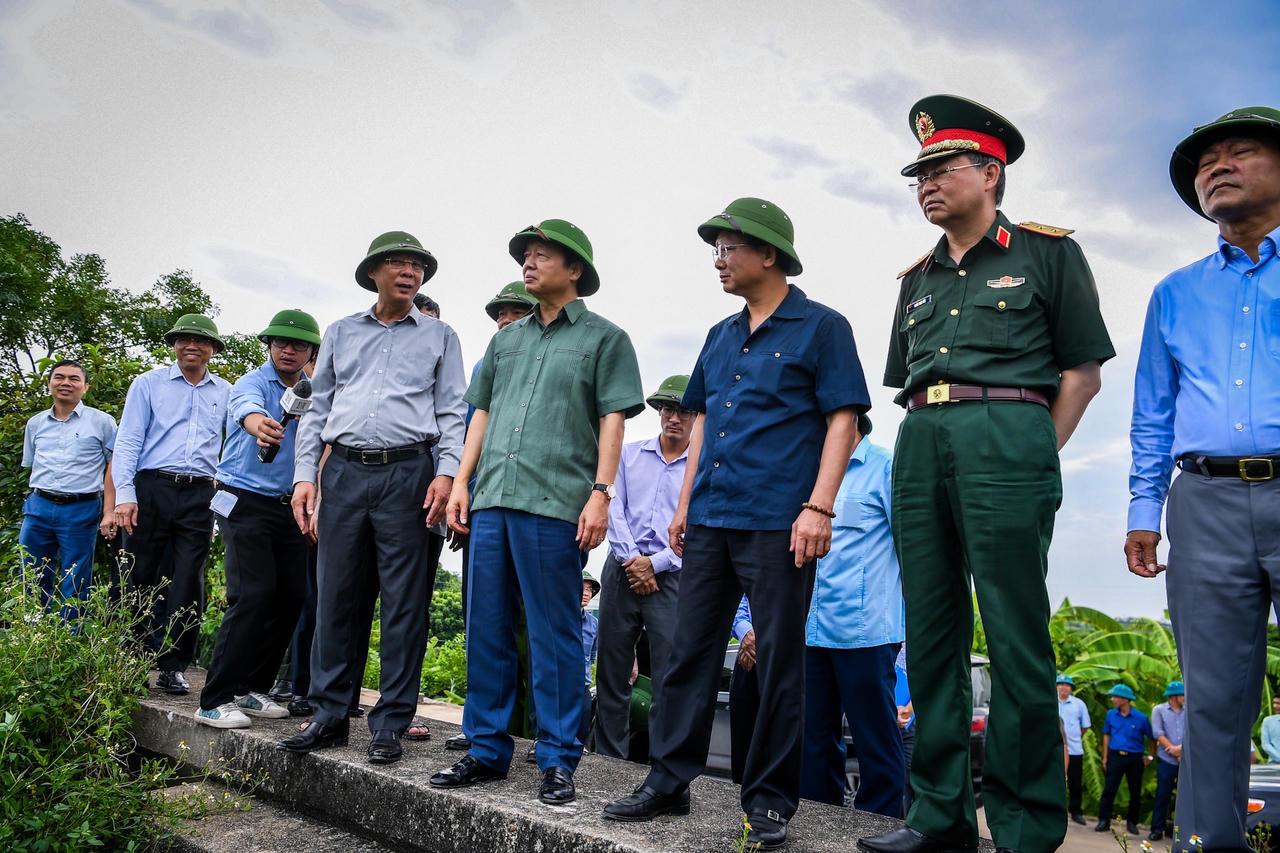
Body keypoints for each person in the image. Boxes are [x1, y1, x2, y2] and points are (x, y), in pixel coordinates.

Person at [859, 95, 1113, 853]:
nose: (926, 183)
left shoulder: (1047, 253)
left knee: (1014, 633)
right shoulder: (918, 278)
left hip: (1009, 432)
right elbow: (904, 376)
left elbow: (1083, 372)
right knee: (930, 632)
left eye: (942, 168)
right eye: (919, 174)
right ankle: (937, 815)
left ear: (990, 173)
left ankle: (1028, 824)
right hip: (922, 434)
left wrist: (1034, 449)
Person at [604, 196, 869, 850]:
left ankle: (771, 801)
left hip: (781, 522)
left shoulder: (822, 327)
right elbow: (697, 425)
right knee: (688, 653)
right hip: (712, 519)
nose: (718, 260)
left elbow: (845, 420)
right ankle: (667, 781)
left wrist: (819, 506)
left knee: (777, 661)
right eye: (714, 250)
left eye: (729, 248)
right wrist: (686, 502)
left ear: (769, 254)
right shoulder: (720, 336)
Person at [430, 219, 644, 806]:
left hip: (555, 505)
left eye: (541, 255)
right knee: (486, 628)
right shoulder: (506, 340)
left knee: (554, 635)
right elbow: (481, 414)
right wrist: (462, 484)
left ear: (573, 270)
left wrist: (601, 493)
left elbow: (613, 420)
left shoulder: (605, 338)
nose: (528, 263)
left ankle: (556, 759)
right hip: (493, 497)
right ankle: (486, 749)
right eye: (525, 254)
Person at [1125, 105, 1280, 853]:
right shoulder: (1175, 293)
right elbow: (1152, 412)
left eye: (1240, 151)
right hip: (1204, 501)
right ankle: (1208, 845)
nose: (1217, 166)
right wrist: (1140, 510)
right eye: (1204, 161)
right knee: (1214, 696)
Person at [278, 231, 466, 766]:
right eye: (399, 265)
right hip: (343, 472)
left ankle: (390, 722)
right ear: (374, 273)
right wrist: (304, 477)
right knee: (337, 596)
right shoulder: (340, 332)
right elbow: (317, 407)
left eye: (418, 267)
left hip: (410, 472)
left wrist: (447, 474)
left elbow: (452, 409)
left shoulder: (441, 337)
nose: (410, 274)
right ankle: (330, 714)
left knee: (405, 603)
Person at [194, 310, 322, 728]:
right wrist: (258, 425)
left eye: (299, 345)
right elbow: (245, 409)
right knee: (252, 593)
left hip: (289, 504)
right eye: (281, 343)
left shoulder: (315, 391)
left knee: (290, 596)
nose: (289, 350)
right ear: (268, 346)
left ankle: (251, 689)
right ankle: (213, 698)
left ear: (310, 351)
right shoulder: (251, 382)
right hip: (241, 498)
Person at [113, 314, 231, 694]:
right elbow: (128, 441)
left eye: (200, 341)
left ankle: (173, 664)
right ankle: (128, 660)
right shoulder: (148, 384)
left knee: (188, 578)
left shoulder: (226, 392)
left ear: (213, 349)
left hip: (199, 493)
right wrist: (125, 496)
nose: (191, 346)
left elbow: (234, 447)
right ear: (174, 345)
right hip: (152, 486)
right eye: (183, 339)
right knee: (137, 573)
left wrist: (221, 500)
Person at [444, 281, 538, 754]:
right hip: (485, 509)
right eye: (498, 317)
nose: (504, 323)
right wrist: (462, 499)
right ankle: (482, 726)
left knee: (535, 627)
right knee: (483, 621)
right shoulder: (487, 366)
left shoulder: (556, 359)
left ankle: (529, 730)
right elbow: (470, 440)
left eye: (514, 315)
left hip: (539, 512)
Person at [799, 413, 905, 816]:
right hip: (810, 629)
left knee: (874, 738)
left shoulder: (885, 467)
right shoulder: (809, 471)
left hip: (867, 631)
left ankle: (881, 824)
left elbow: (910, 551)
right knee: (813, 739)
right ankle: (817, 820)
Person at [594, 374, 692, 762]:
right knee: (613, 672)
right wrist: (634, 560)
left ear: (697, 417)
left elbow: (696, 529)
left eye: (684, 411)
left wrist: (657, 563)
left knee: (670, 676)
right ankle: (607, 762)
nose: (674, 417)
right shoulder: (628, 455)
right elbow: (612, 508)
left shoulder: (700, 471)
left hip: (671, 576)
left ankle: (662, 768)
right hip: (622, 569)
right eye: (668, 408)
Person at [19, 359, 116, 621]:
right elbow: (32, 465)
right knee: (32, 572)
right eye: (59, 377)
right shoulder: (35, 423)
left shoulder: (103, 422)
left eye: (74, 379)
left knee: (76, 577)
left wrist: (109, 511)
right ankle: (34, 633)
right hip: (39, 505)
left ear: (85, 387)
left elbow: (114, 467)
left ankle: (70, 639)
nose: (65, 383)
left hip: (81, 507)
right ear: (49, 383)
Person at [1095, 684, 1154, 835]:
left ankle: (1132, 823)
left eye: (1115, 696)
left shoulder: (1140, 718)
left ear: (1125, 699)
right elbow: (1106, 735)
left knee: (1135, 793)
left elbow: (1152, 738)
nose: (1112, 699)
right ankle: (1104, 821)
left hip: (1134, 759)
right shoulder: (1110, 715)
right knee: (1109, 790)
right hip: (1115, 756)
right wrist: (1106, 757)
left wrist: (1150, 756)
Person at [1149, 681, 1185, 841]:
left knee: (1185, 797)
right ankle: (1157, 829)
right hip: (1166, 759)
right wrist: (1174, 751)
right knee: (1162, 794)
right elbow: (1158, 733)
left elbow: (1194, 732)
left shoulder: (1190, 711)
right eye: (1182, 695)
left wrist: (1181, 750)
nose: (1185, 698)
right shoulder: (1159, 710)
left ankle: (1181, 830)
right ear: (1173, 696)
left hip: (1186, 761)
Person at [1056, 673, 1092, 826]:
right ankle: (1056, 811)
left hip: (1074, 749)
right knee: (1055, 781)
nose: (1064, 687)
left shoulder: (1079, 704)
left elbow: (1085, 726)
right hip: (1055, 751)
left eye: (1067, 685)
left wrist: (1073, 737)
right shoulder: (1051, 702)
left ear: (1071, 688)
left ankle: (1076, 812)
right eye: (1061, 684)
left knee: (1075, 782)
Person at [1261, 696, 1280, 763]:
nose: (1275, 706)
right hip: (1274, 764)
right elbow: (1265, 744)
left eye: (1278, 703)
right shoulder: (1268, 721)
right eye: (1274, 703)